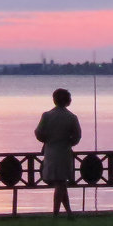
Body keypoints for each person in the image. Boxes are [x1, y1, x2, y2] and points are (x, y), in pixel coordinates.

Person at [34, 87, 81, 216]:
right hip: (64, 152)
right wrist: (68, 142)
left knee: (59, 183)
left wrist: (47, 139)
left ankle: (61, 213)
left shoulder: (47, 115)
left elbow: (38, 133)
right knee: (61, 182)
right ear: (68, 101)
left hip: (50, 152)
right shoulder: (72, 117)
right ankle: (63, 213)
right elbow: (77, 137)